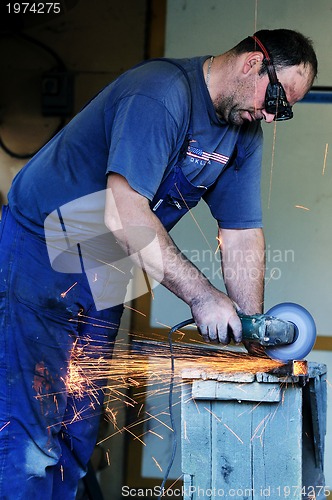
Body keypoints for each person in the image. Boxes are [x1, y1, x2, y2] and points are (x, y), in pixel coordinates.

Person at [0, 28, 317, 498]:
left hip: (106, 255)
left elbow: (242, 234)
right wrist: (203, 297)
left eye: (284, 111)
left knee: (77, 422)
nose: (271, 115)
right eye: (276, 98)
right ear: (253, 62)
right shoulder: (161, 93)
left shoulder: (242, 132)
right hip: (42, 244)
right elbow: (124, 211)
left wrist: (253, 337)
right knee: (31, 426)